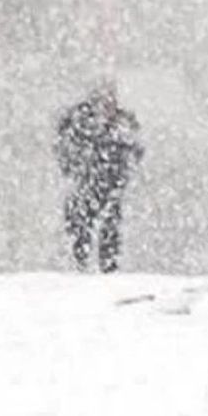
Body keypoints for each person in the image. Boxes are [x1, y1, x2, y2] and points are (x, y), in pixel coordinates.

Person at [55, 80, 144, 273]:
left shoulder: (120, 125)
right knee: (81, 228)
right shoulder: (81, 122)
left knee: (109, 227)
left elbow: (135, 150)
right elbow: (65, 149)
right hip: (87, 185)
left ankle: (106, 268)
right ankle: (80, 266)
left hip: (108, 186)